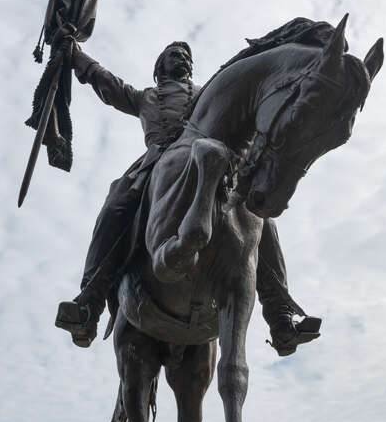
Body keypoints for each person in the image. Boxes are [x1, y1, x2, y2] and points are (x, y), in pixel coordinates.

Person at [55, 40, 321, 353]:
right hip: (158, 167)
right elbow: (107, 83)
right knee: (117, 203)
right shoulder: (146, 97)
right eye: (172, 53)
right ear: (159, 69)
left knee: (261, 218)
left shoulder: (209, 91)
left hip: (214, 165)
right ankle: (90, 303)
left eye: (185, 55)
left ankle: (279, 315)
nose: (181, 56)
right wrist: (75, 56)